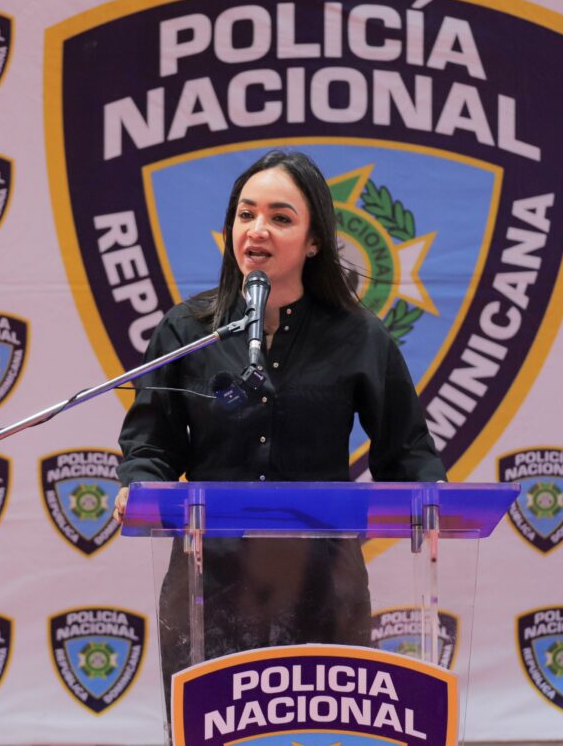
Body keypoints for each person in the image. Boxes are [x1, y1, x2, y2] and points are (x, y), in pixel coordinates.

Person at [112, 149, 445, 691]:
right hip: (209, 583)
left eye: (280, 217)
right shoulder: (187, 329)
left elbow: (406, 451)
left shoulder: (358, 335)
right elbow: (152, 442)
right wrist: (142, 485)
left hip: (321, 582)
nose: (257, 229)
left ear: (315, 241)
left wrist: (434, 502)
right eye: (246, 214)